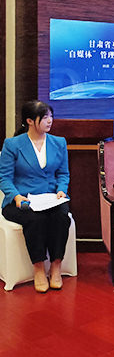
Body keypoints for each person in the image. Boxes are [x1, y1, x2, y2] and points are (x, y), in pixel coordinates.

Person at [0, 101, 71, 293]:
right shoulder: (12, 144)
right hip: (21, 200)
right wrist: (16, 196)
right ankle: (39, 268)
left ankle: (56, 266)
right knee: (35, 219)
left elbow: (63, 174)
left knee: (61, 217)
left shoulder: (59, 142)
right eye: (45, 117)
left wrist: (61, 190)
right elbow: (4, 177)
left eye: (51, 116)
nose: (50, 121)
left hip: (51, 198)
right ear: (30, 121)